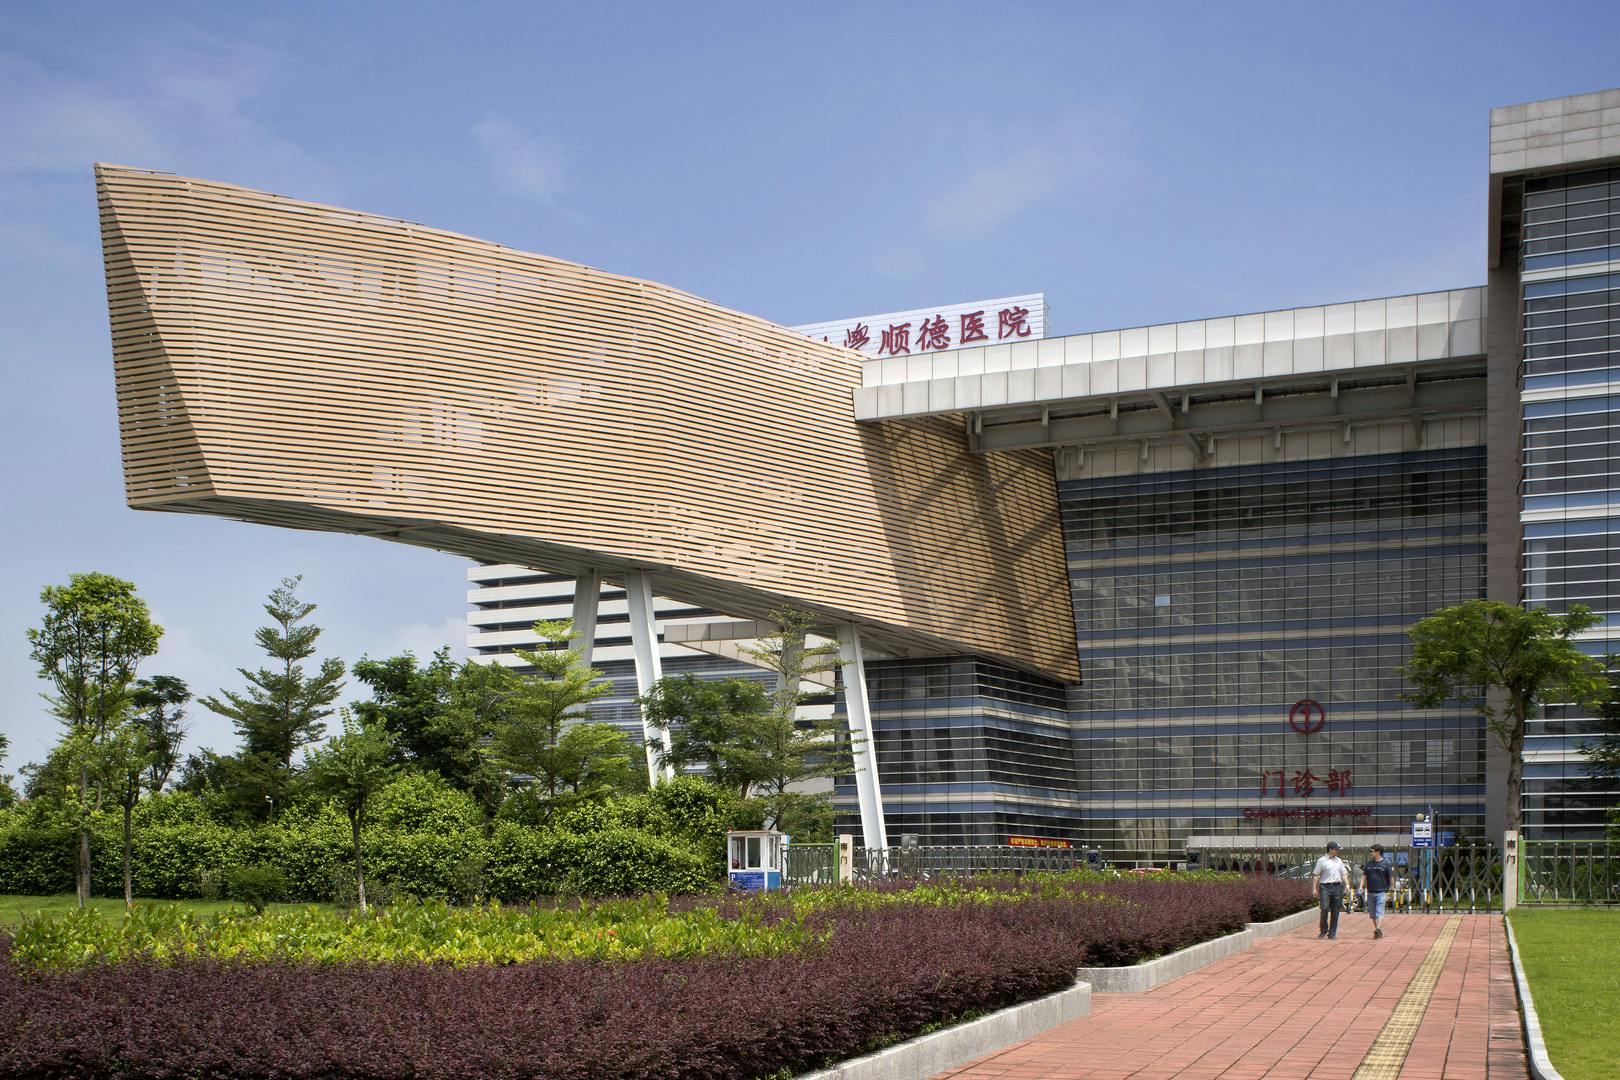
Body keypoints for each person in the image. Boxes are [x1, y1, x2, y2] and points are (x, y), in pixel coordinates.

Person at [1311, 840, 1352, 939]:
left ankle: (1332, 933)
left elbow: (1344, 873)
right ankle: (1323, 930)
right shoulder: (1321, 861)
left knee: (1335, 910)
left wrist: (1347, 884)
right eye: (1336, 849)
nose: (1338, 851)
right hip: (1325, 887)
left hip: (1337, 887)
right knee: (1324, 908)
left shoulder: (1339, 860)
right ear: (1331, 850)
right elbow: (1316, 875)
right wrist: (1314, 889)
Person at [1362, 843, 1393, 939]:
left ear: (1378, 852)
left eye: (1372, 851)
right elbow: (1364, 875)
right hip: (1370, 892)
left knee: (1379, 911)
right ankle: (1378, 930)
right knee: (1373, 914)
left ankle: (1378, 929)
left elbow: (1391, 877)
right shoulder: (1369, 864)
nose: (1370, 853)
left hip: (1381, 892)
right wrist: (1360, 886)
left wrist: (1392, 888)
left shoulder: (1386, 863)